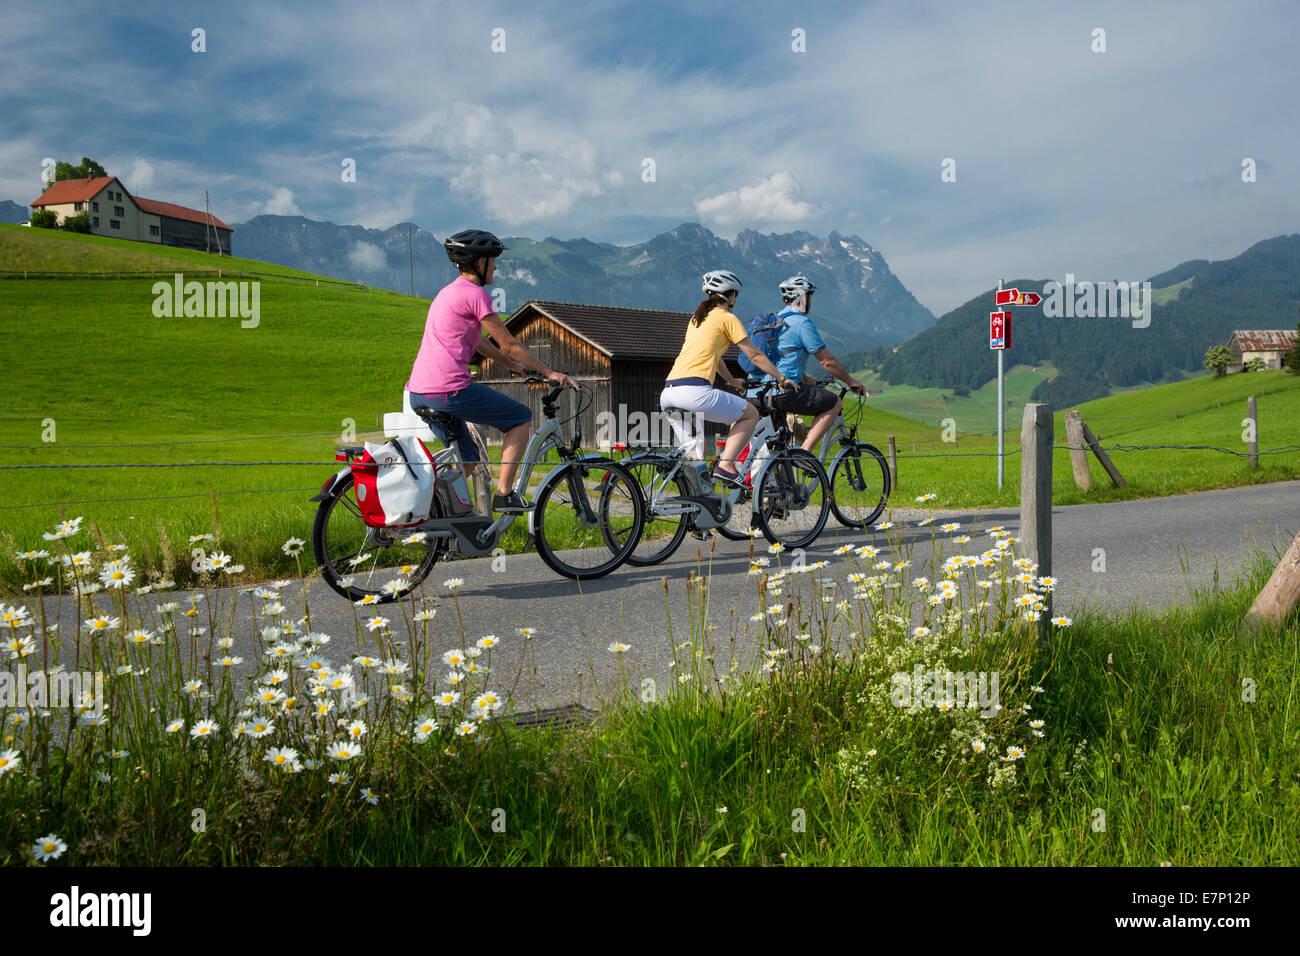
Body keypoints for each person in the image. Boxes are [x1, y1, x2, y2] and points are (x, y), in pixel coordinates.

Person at [406, 228, 579, 513]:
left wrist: (512, 366)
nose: (496, 267)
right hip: (449, 389)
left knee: (468, 459)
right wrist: (549, 372)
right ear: (478, 262)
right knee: (520, 418)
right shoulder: (476, 295)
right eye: (492, 260)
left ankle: (435, 514)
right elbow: (509, 342)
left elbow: (477, 341)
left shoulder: (448, 294)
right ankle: (505, 494)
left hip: (419, 392)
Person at [661, 270, 795, 488]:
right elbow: (754, 354)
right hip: (695, 391)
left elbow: (714, 357)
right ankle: (727, 465)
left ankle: (699, 509)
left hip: (669, 392)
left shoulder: (697, 319)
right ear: (731, 295)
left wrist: (733, 381)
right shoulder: (727, 318)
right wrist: (781, 377)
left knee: (697, 460)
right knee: (749, 415)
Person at [755, 273, 867, 453]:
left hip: (759, 390)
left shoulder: (773, 321)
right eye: (809, 296)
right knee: (834, 402)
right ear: (802, 297)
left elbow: (779, 359)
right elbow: (828, 362)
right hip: (783, 391)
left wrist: (806, 379)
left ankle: (779, 475)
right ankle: (805, 454)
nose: (811, 300)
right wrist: (851, 381)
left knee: (779, 447)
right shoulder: (800, 323)